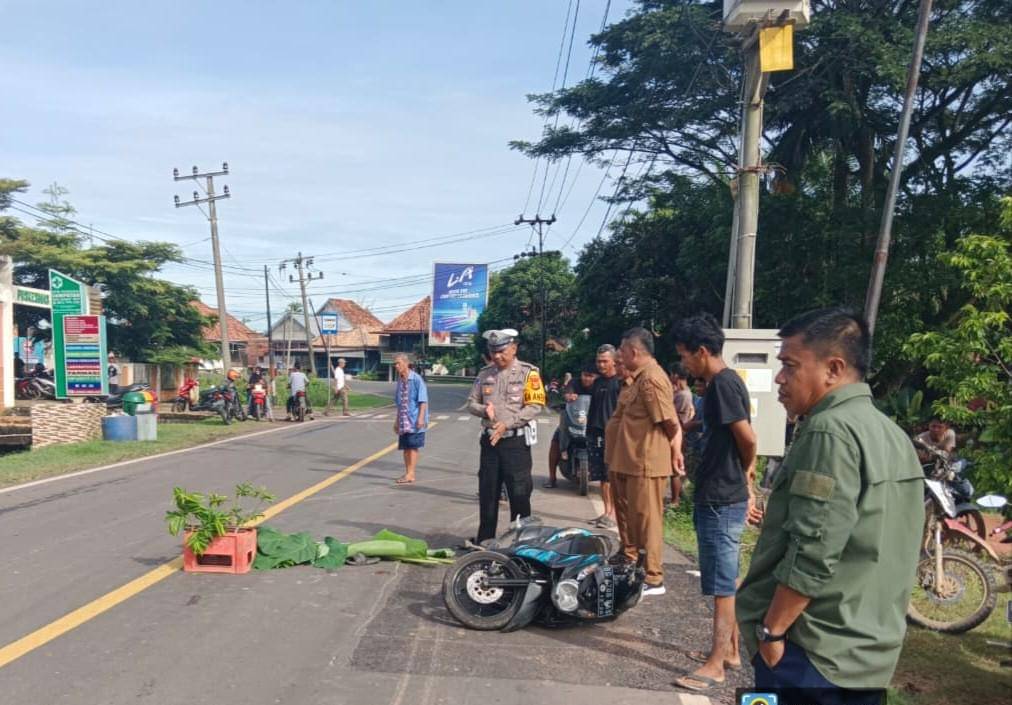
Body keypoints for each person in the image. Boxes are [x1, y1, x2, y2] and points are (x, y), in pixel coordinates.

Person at [737, 308, 924, 703]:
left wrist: (771, 632)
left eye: (789, 365)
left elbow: (812, 548)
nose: (779, 378)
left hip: (811, 654)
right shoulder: (891, 434)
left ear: (833, 369)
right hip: (867, 655)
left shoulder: (829, 430)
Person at [672, 312, 757, 693]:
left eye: (685, 357)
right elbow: (717, 429)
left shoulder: (723, 384)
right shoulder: (721, 384)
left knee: (723, 584)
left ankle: (716, 663)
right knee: (724, 577)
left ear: (702, 351)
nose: (684, 364)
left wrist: (746, 471)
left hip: (723, 497)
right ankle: (732, 651)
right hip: (717, 493)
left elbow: (748, 438)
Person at [605, 328, 683, 596]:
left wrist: (675, 449)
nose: (619, 355)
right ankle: (630, 558)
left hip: (645, 460)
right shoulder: (635, 380)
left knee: (647, 519)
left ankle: (653, 576)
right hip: (626, 458)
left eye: (622, 351)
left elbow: (670, 422)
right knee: (628, 516)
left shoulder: (651, 379)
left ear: (634, 352)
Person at [466, 329, 545, 545]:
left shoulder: (529, 373)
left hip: (515, 442)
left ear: (513, 348)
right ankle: (485, 541)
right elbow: (471, 402)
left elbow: (535, 405)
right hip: (490, 443)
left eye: (501, 351)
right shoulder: (484, 374)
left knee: (519, 493)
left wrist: (507, 424)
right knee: (488, 493)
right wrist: (483, 410)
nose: (497, 356)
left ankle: (521, 543)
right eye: (493, 352)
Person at [586, 344, 622, 528]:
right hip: (595, 433)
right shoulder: (598, 383)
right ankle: (605, 511)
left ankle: (613, 514)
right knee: (601, 475)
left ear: (614, 361)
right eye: (598, 361)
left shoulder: (620, 383)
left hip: (613, 437)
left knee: (611, 476)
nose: (601, 365)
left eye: (605, 361)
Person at [544, 363, 597, 489]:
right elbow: (568, 391)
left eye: (591, 376)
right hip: (572, 421)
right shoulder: (574, 382)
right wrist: (568, 396)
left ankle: (608, 482)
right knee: (555, 443)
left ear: (596, 377)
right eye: (585, 375)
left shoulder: (599, 386)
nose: (587, 378)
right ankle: (552, 478)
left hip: (591, 424)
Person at [392, 354, 428, 484]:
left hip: (414, 420)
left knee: (413, 447)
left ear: (406, 363)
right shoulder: (400, 381)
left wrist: (421, 418)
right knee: (406, 447)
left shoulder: (417, 379)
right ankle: (408, 472)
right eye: (395, 364)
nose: (396, 366)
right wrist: (396, 421)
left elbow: (423, 401)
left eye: (398, 363)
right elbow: (399, 403)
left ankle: (411, 474)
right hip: (403, 420)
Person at [668, 363, 695, 507]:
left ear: (676, 376)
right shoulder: (680, 393)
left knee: (675, 470)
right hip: (678, 433)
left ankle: (675, 500)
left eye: (671, 374)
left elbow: (674, 416)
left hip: (679, 434)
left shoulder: (683, 395)